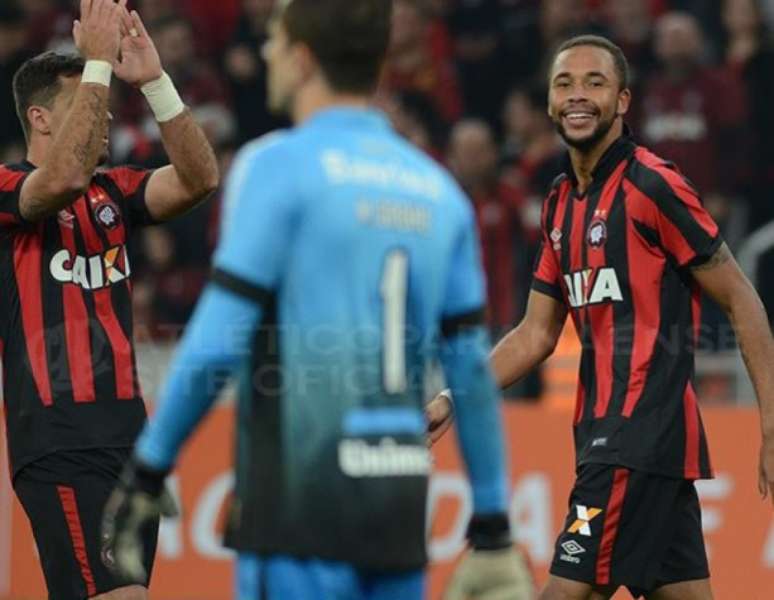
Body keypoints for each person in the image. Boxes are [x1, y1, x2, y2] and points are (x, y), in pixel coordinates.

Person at [100, 1, 533, 599]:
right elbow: (472, 376)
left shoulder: (275, 167)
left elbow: (219, 338)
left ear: (302, 59)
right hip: (398, 506)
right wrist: (492, 524)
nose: (270, 55)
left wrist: (149, 468)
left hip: (297, 509)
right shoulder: (439, 192)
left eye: (277, 44)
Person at [426, 34, 774, 600]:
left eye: (595, 82)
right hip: (626, 445)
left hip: (635, 436)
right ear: (548, 104)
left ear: (623, 101)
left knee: (563, 593)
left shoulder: (653, 184)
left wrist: (770, 421)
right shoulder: (560, 204)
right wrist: (454, 398)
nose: (578, 95)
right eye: (564, 84)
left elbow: (742, 298)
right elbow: (535, 333)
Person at [2, 1, 219, 599]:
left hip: (128, 437)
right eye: (85, 105)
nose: (103, 120)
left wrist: (155, 83)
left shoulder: (113, 192)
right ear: (40, 119)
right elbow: (59, 181)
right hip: (60, 438)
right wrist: (98, 63)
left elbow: (199, 179)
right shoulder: (6, 189)